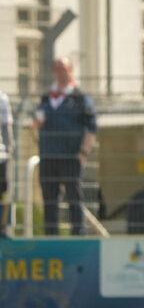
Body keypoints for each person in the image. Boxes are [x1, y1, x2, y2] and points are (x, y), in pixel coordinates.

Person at [31, 57, 97, 236]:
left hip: (71, 157)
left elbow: (92, 128)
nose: (61, 72)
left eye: (64, 68)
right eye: (57, 68)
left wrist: (83, 152)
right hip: (48, 157)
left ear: (71, 71)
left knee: (74, 200)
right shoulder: (45, 98)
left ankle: (78, 237)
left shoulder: (80, 98)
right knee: (49, 201)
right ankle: (51, 238)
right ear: (53, 72)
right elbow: (35, 123)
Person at [0, 89, 12, 238]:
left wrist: (9, 151)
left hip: (0, 156)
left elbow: (7, 129)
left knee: (2, 193)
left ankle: (2, 229)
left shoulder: (2, 98)